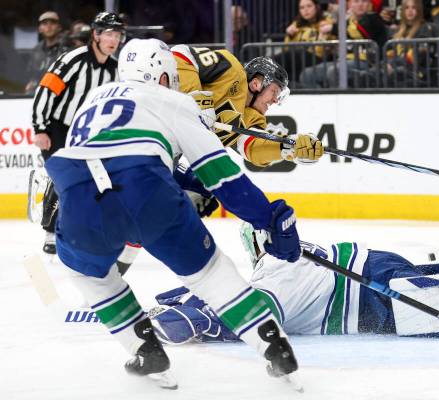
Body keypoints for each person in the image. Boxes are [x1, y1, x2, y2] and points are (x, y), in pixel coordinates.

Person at [43, 38, 302, 389]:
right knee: (211, 275)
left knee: (88, 275)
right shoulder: (176, 100)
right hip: (146, 186)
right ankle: (275, 347)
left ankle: (143, 348)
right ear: (163, 76)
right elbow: (223, 176)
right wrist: (268, 218)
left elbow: (93, 153)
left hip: (79, 191)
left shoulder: (92, 100)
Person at [148, 222, 439, 344]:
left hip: (366, 284)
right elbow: (254, 313)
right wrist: (200, 314)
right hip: (366, 285)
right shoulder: (275, 269)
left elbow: (252, 315)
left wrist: (203, 317)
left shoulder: (271, 274)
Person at [31, 11, 125, 254]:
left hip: (89, 132)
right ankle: (51, 232)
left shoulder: (116, 69)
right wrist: (40, 128)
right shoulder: (74, 60)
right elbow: (46, 90)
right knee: (63, 179)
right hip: (58, 128)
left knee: (95, 181)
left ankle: (85, 231)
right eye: (108, 34)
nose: (113, 40)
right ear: (95, 35)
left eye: (117, 35)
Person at [171, 44, 324, 169]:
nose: (275, 100)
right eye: (275, 92)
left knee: (201, 195)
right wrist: (198, 102)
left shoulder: (250, 119)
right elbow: (181, 54)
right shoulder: (231, 71)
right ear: (256, 83)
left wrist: (287, 147)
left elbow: (252, 148)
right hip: (153, 117)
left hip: (168, 151)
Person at [299, 0, 389, 88]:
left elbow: (360, 31)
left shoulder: (374, 18)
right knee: (307, 74)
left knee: (334, 71)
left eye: (364, 1)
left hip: (366, 61)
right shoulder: (347, 21)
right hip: (342, 61)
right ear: (349, 4)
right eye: (356, 1)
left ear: (369, 4)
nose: (360, 4)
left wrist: (333, 28)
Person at [274, 0, 337, 87]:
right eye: (302, 8)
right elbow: (286, 48)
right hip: (298, 60)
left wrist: (323, 36)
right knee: (286, 75)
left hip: (318, 59)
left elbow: (322, 50)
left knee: (297, 52)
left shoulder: (326, 22)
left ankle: (267, 66)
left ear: (316, 7)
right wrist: (289, 36)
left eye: (309, 6)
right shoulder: (296, 25)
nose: (305, 10)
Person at [386, 0, 438, 86]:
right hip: (396, 68)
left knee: (397, 72)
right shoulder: (397, 31)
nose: (410, 11)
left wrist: (391, 64)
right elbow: (389, 52)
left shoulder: (424, 28)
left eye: (413, 8)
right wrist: (387, 63)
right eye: (407, 8)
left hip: (416, 72)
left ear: (419, 10)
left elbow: (419, 54)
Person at [25, 11, 69, 94]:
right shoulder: (36, 50)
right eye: (45, 23)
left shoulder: (67, 48)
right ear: (40, 29)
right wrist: (30, 84)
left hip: (61, 93)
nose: (49, 26)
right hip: (38, 93)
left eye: (52, 23)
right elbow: (31, 75)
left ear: (59, 27)